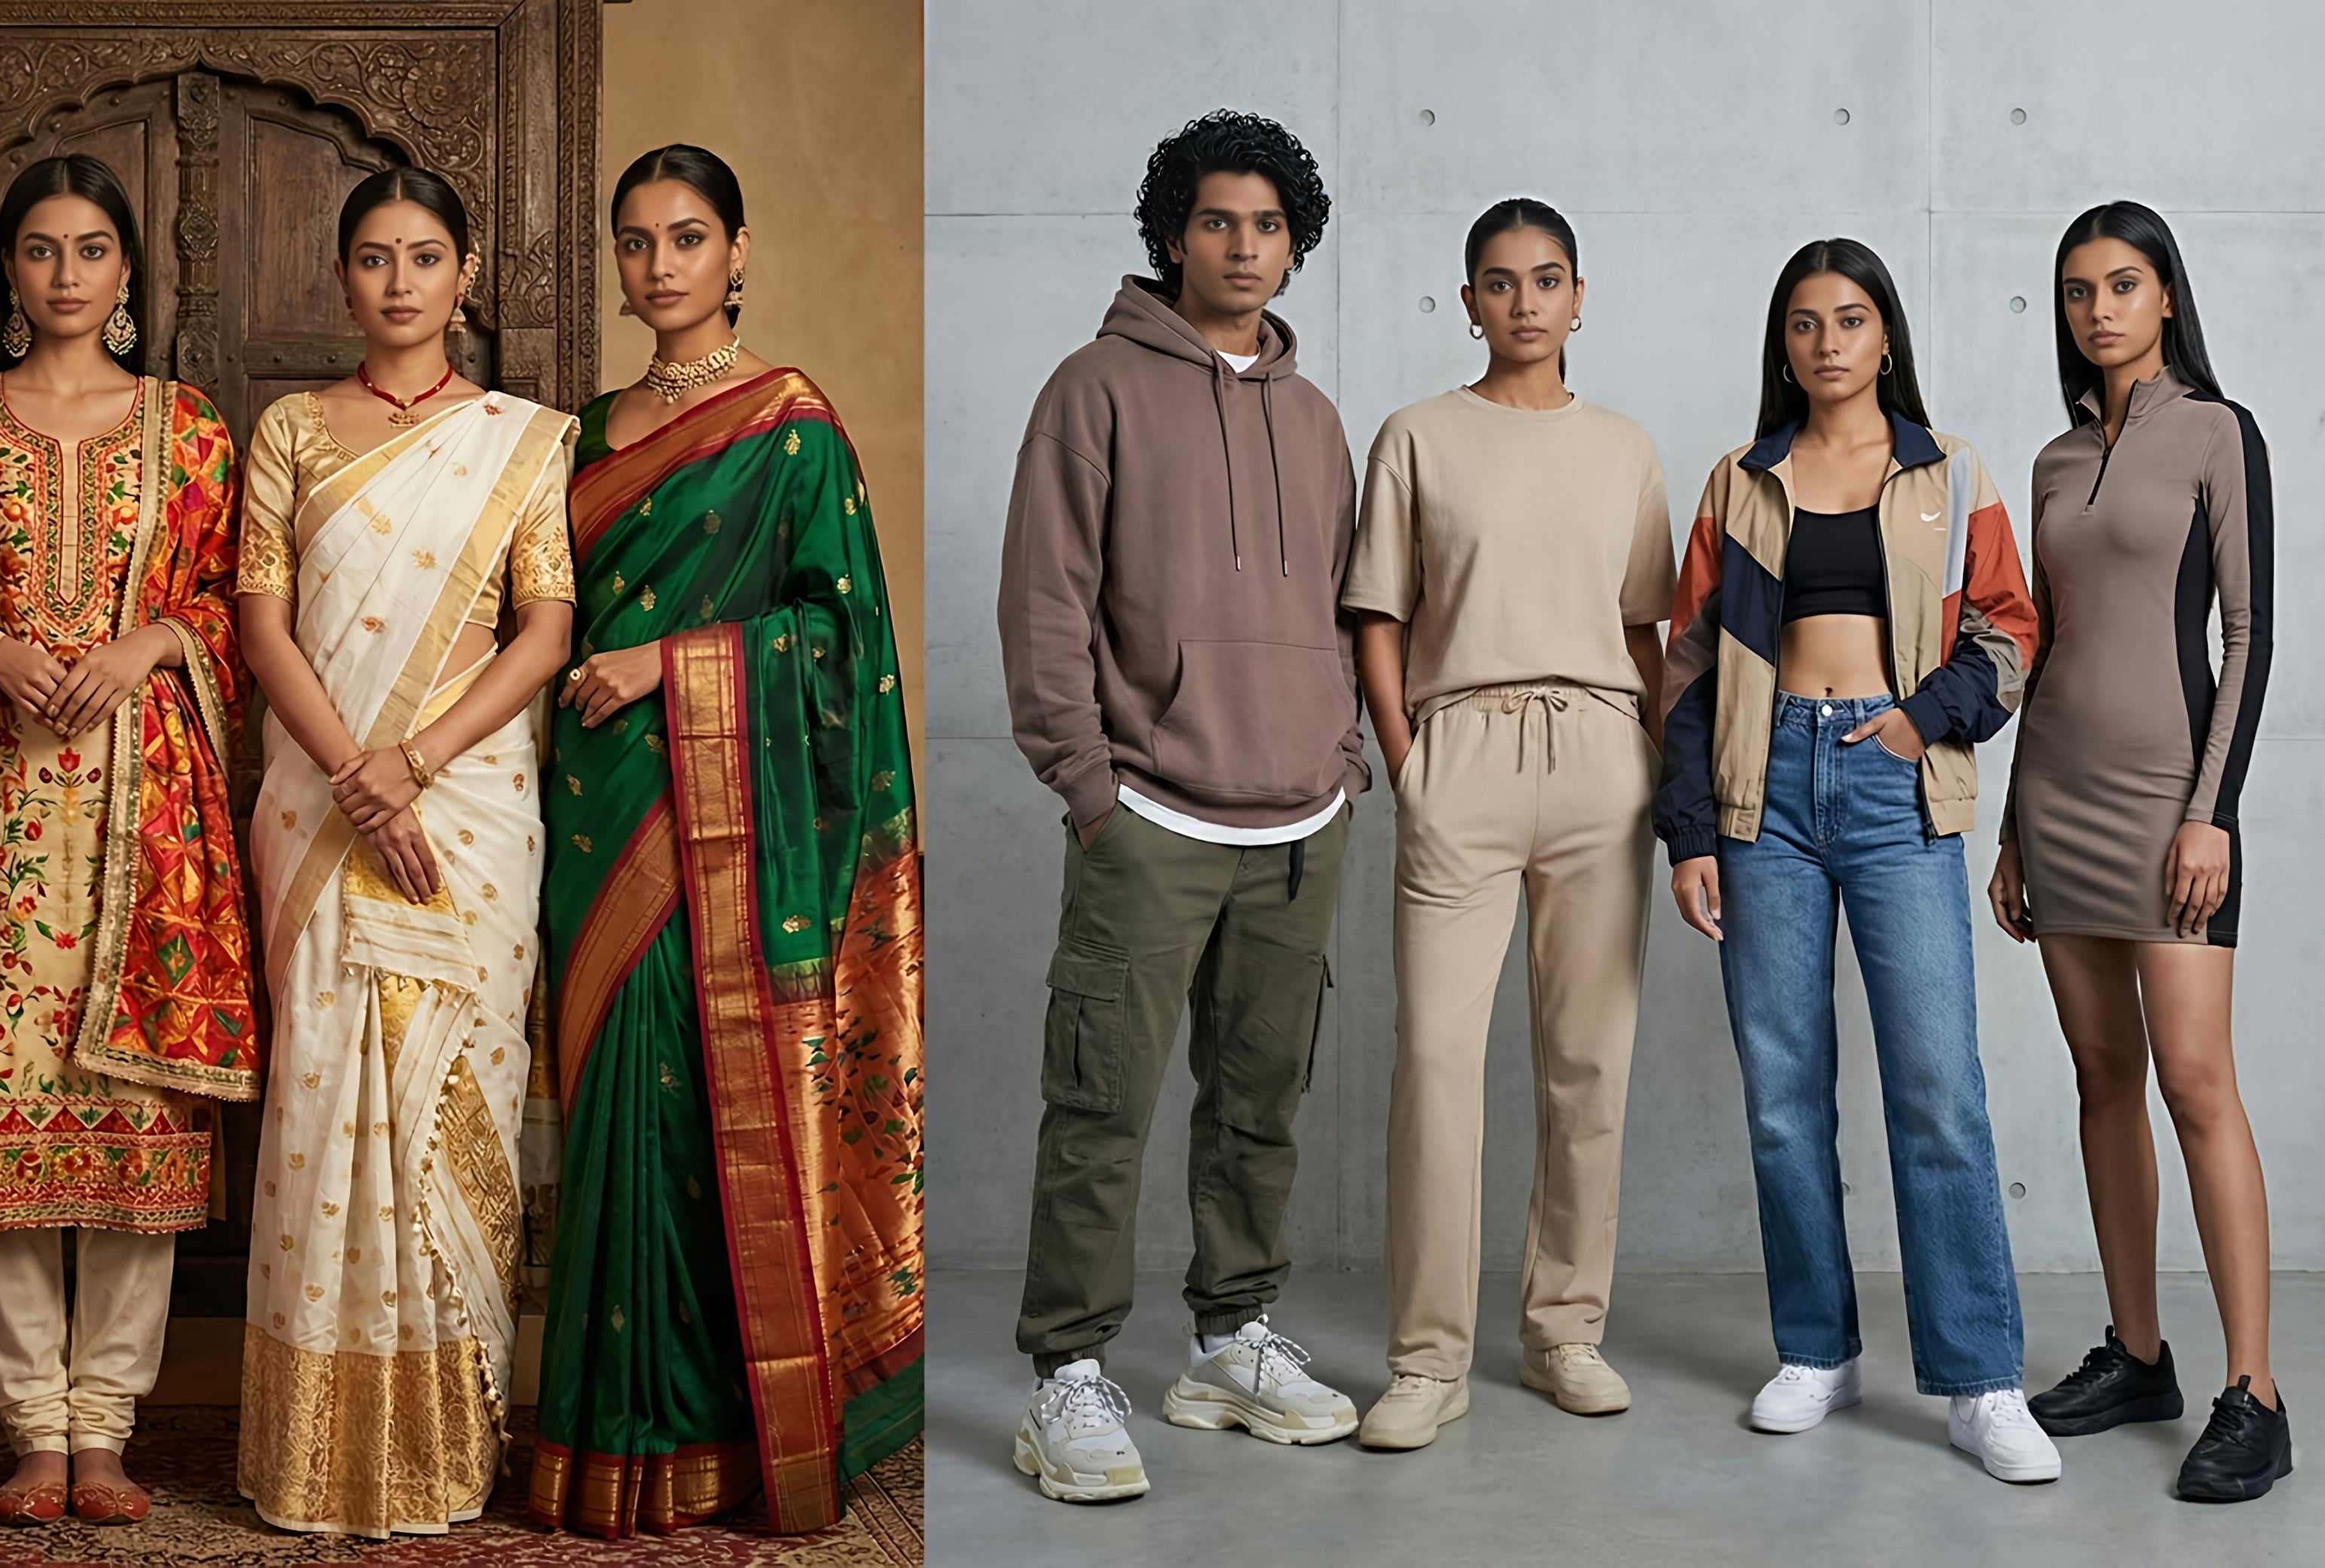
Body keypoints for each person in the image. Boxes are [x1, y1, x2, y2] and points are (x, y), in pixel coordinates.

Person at [530, 143, 922, 1539]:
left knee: (705, 1104)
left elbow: (841, 642)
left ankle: (717, 1430)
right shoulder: (577, 432)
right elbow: (535, 614)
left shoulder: (791, 427)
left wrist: (667, 666)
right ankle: (602, 1435)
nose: (658, 267)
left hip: (724, 821)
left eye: (686, 239)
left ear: (739, 252)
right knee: (612, 1108)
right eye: (634, 243)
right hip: (595, 808)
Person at [997, 109, 1366, 1504]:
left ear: (1296, 243)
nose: (1246, 247)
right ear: (1172, 233)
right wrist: (1089, 784)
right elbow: (1046, 602)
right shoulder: (1093, 388)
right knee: (1100, 1104)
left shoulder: (1317, 418)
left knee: (1261, 1103)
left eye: (1269, 225)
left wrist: (1341, 758)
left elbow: (1340, 606)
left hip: (1298, 819)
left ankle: (1230, 1337)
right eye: (1220, 221)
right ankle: (1067, 1373)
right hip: (1150, 812)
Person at [1657, 237, 2055, 1483]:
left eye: (1852, 318)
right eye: (1805, 323)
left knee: (1939, 1087)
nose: (1828, 342)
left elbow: (2012, 631)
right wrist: (1688, 834)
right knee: (1784, 1092)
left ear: (1886, 336)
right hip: (1760, 789)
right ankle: (1817, 1349)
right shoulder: (1741, 482)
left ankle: (1982, 1377)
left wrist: (1920, 718)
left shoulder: (1949, 473)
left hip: (1895, 784)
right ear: (1784, 344)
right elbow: (1684, 662)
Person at [0, 152, 258, 1528]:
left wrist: (155, 642)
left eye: (92, 249)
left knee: (129, 1120)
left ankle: (105, 1427)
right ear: (8, 268)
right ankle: (31, 1431)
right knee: (7, 1120)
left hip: (144, 809)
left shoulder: (191, 426)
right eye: (42, 249)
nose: (65, 272)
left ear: (127, 271)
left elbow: (244, 603)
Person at [231, 166, 576, 1536]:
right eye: (373, 258)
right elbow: (263, 625)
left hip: (471, 810)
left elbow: (545, 630)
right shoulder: (291, 429)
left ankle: (448, 1442)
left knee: (457, 1101)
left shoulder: (524, 441)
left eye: (425, 256)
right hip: (320, 804)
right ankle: (314, 1452)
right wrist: (355, 779)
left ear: (466, 268)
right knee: (325, 1103)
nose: (399, 281)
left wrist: (414, 768)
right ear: (341, 276)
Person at [1346, 199, 1671, 1452]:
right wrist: (1409, 757)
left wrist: (1650, 750)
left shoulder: (1626, 447)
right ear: (1467, 299)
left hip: (1601, 753)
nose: (1525, 302)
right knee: (1434, 1057)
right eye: (1500, 281)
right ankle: (1427, 1358)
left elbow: (1646, 629)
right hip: (1462, 749)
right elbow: (1378, 609)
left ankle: (1562, 1329)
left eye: (1547, 281)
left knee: (1588, 1061)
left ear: (1581, 297)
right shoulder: (1417, 436)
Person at [1995, 202, 2288, 1501]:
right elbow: (2043, 641)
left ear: (2166, 296)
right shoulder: (2057, 460)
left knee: (2195, 1082)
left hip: (2175, 803)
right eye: (2077, 291)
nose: (2099, 309)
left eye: (2123, 285)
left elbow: (2249, 635)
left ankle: (2255, 1390)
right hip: (2057, 799)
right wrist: (2010, 823)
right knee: (2102, 1078)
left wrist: (2211, 810)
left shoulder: (2218, 434)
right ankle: (2138, 1351)